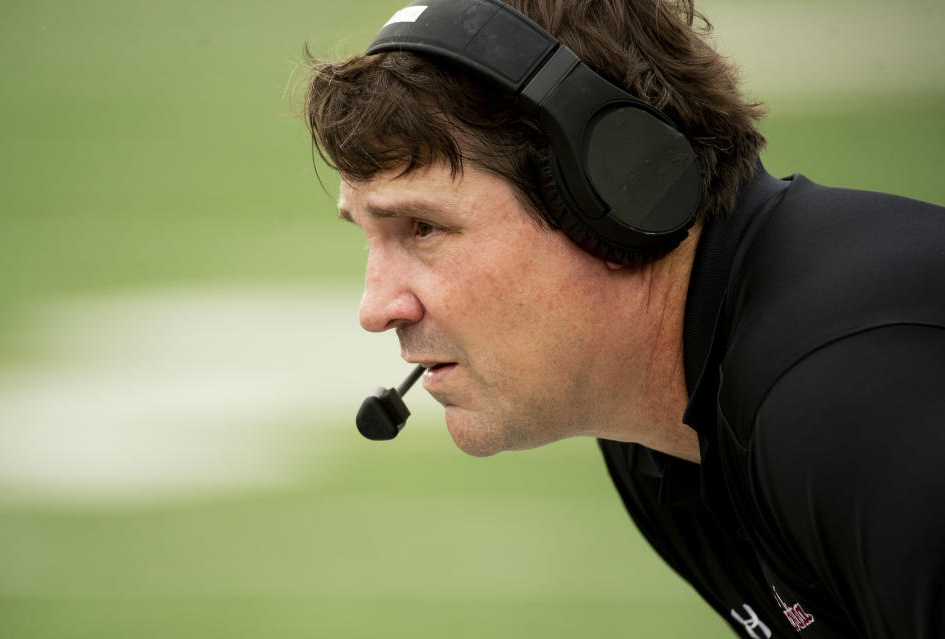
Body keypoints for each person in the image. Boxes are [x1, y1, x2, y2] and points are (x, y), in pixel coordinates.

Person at [302, 0, 945, 636]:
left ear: (617, 190)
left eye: (422, 227)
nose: (376, 309)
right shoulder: (654, 428)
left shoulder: (850, 397)